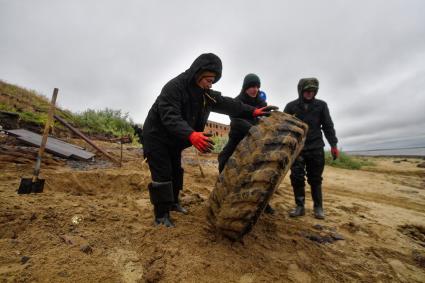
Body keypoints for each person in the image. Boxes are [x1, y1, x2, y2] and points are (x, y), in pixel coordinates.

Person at [142, 53, 277, 227]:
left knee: (175, 170)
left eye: (213, 80)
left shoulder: (205, 94)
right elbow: (170, 116)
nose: (210, 84)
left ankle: (174, 203)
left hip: (175, 139)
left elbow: (228, 103)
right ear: (197, 73)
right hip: (157, 136)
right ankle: (161, 216)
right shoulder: (174, 88)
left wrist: (253, 111)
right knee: (162, 172)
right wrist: (191, 134)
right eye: (207, 79)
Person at [217, 73, 275, 214]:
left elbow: (267, 119)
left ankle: (263, 202)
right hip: (238, 138)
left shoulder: (261, 103)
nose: (254, 89)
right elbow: (235, 120)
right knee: (223, 159)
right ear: (245, 87)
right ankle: (224, 193)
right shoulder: (238, 101)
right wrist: (251, 129)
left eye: (257, 86)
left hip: (257, 140)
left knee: (262, 171)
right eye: (251, 86)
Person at [283, 78, 339, 219]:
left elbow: (328, 126)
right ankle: (300, 207)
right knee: (297, 177)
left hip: (316, 147)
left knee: (315, 179)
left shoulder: (321, 106)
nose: (309, 93)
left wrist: (333, 145)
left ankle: (318, 207)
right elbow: (283, 127)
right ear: (301, 90)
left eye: (312, 91)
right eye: (307, 90)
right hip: (297, 149)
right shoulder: (291, 106)